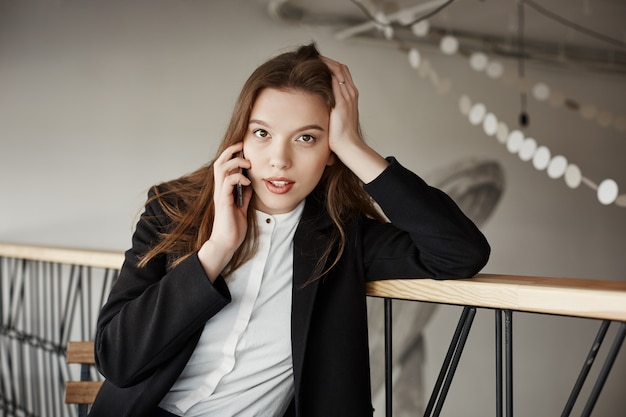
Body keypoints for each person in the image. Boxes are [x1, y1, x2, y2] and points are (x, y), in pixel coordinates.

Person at [89, 43, 490, 417]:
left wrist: (354, 148)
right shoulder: (172, 209)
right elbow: (116, 358)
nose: (279, 160)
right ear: (240, 137)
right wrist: (216, 250)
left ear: (329, 150)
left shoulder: (342, 238)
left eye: (306, 138)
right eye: (262, 133)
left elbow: (460, 251)